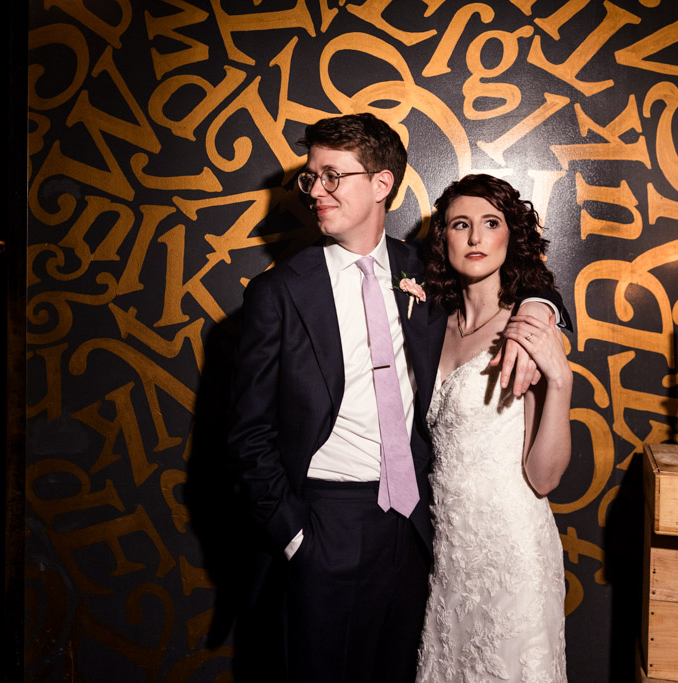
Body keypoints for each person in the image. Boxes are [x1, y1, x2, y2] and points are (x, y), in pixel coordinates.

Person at [227, 114, 567, 683]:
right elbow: (247, 435)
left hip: (415, 528)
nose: (316, 191)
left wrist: (541, 308)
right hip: (325, 523)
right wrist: (295, 537)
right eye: (311, 178)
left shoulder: (424, 274)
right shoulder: (278, 292)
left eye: (333, 176)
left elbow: (517, 277)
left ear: (381, 185)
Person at [415, 174, 572, 683]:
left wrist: (561, 384)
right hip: (448, 554)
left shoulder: (527, 332)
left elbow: (544, 478)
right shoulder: (431, 325)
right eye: (461, 225)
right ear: (445, 239)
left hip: (512, 555)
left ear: (511, 236)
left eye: (491, 223)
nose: (476, 238)